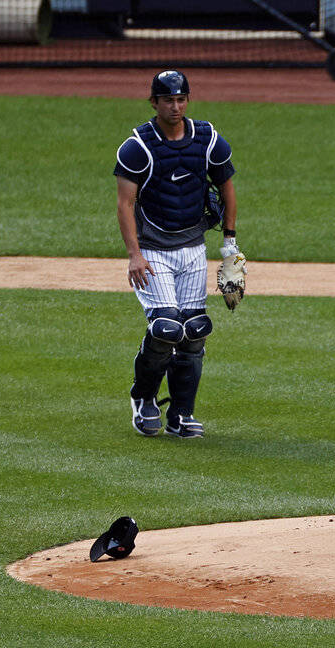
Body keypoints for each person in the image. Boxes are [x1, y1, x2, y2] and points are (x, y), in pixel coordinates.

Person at [115, 69, 244, 438]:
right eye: (168, 99)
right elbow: (125, 204)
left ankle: (182, 415)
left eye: (181, 99)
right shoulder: (138, 146)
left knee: (195, 331)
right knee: (166, 328)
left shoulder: (207, 139)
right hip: (153, 250)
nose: (175, 106)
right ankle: (143, 398)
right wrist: (134, 255)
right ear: (154, 102)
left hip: (192, 248)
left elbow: (227, 187)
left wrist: (230, 246)